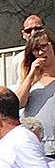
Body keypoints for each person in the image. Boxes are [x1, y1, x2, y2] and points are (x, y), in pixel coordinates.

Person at [14, 26, 55, 157]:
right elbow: (18, 103)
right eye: (35, 50)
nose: (40, 53)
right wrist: (31, 75)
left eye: (43, 46)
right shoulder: (30, 80)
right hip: (35, 146)